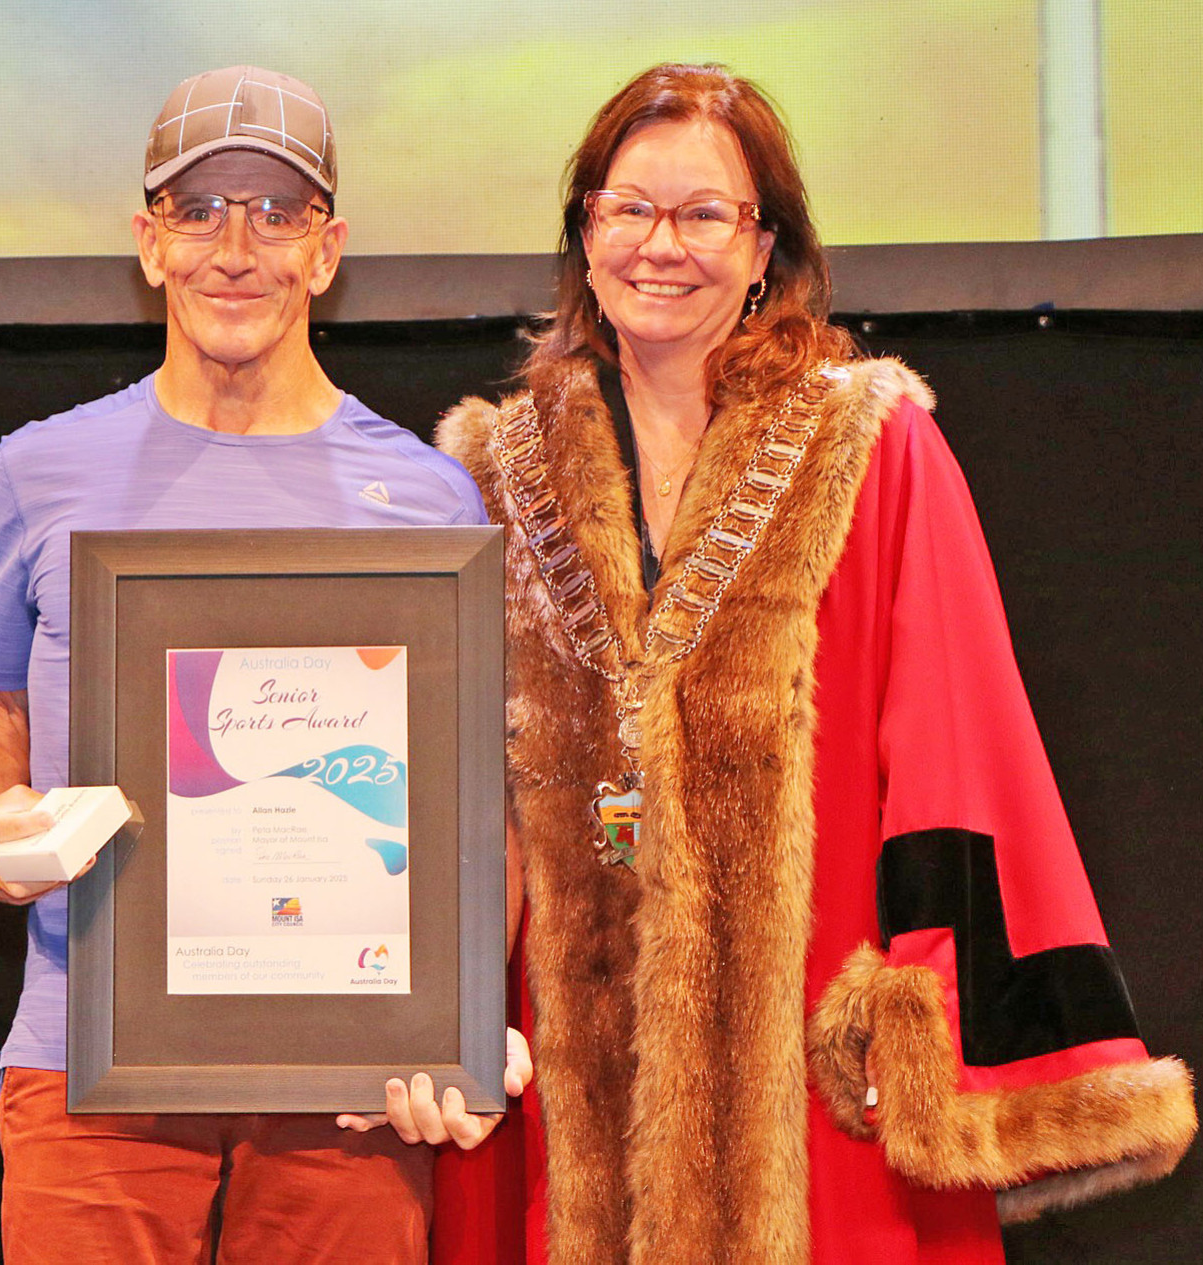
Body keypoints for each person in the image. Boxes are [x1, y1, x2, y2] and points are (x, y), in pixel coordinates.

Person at [431, 62, 1195, 1264]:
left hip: (804, 1061)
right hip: (569, 1056)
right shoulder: (491, 471)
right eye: (625, 208)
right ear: (583, 236)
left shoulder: (870, 444)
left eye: (703, 214)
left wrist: (916, 990)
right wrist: (446, 995)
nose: (658, 245)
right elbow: (449, 772)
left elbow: (956, 733)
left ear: (764, 247)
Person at [0, 65, 528, 1264]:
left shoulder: (423, 495)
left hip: (343, 1076)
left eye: (277, 211)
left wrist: (455, 1018)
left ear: (328, 247)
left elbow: (480, 800)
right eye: (198, 211)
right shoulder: (41, 472)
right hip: (86, 1057)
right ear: (148, 243)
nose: (235, 247)